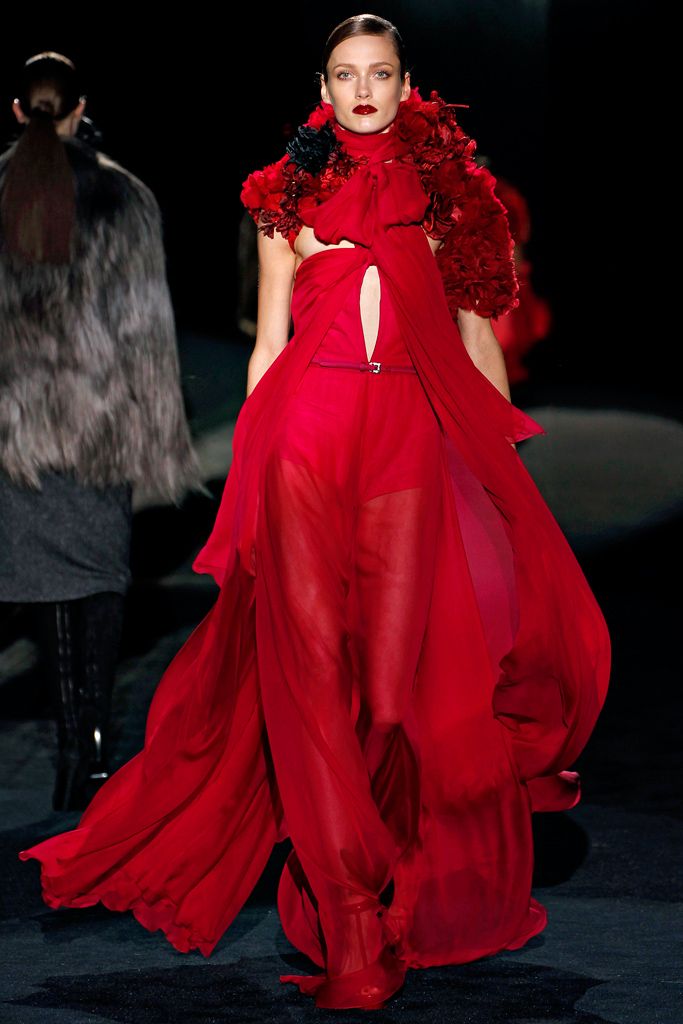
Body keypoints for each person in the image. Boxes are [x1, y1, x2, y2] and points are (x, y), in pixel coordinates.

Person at [18, 19, 611, 1012]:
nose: (363, 90)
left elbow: (476, 343)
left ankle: (371, 874)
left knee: (386, 702)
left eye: (380, 74)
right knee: (309, 683)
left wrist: (501, 477)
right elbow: (268, 345)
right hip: (303, 441)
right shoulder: (283, 194)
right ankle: (351, 926)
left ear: (406, 84)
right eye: (345, 75)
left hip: (404, 447)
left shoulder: (452, 196)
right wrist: (245, 474)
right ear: (324, 87)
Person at [0, 53, 202, 812]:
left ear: (17, 111)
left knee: (48, 584)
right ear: (80, 108)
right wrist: (156, 437)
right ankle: (88, 747)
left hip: (17, 427)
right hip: (101, 422)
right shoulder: (125, 196)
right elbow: (146, 334)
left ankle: (70, 748)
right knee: (99, 579)